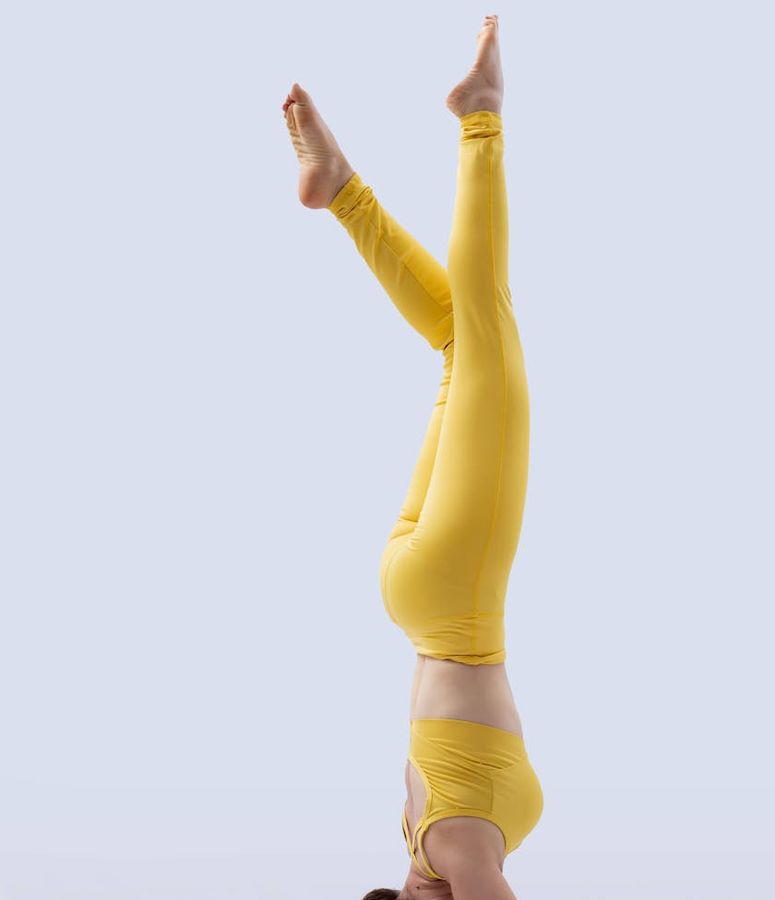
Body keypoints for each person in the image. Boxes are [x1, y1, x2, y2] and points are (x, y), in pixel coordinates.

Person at [282, 15, 543, 900]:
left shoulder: (456, 851)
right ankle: (342, 190)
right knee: (463, 349)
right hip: (420, 599)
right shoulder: (423, 841)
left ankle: (482, 117)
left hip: (455, 605)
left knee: (490, 334)